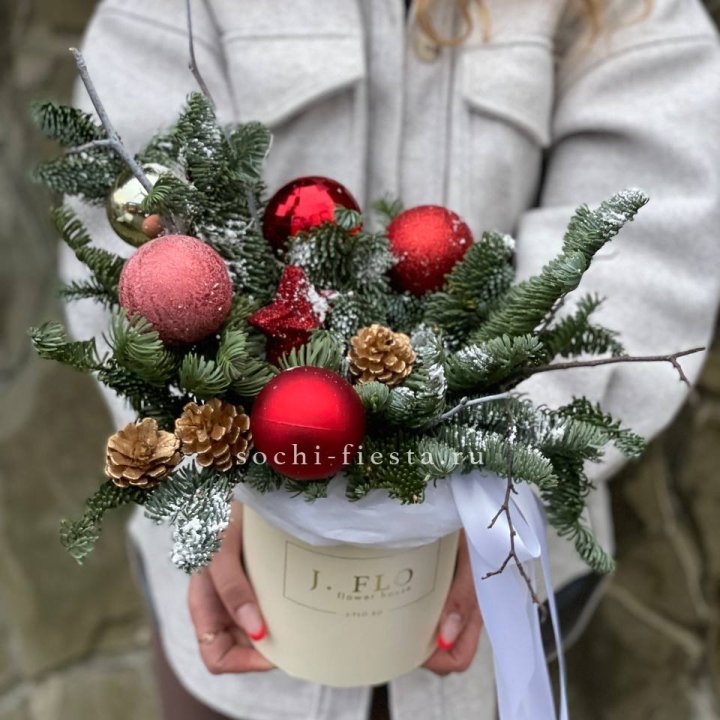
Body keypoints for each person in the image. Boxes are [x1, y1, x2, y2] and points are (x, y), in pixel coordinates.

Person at [61, 0, 720, 718]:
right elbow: (139, 223)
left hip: (498, 596)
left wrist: (500, 478)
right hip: (239, 607)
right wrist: (205, 484)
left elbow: (644, 227)